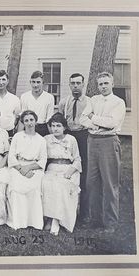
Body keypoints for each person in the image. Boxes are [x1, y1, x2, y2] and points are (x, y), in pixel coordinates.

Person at [80, 72, 126, 233]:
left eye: (106, 83)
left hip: (109, 142)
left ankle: (110, 222)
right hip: (92, 142)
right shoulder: (93, 100)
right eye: (100, 84)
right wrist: (97, 124)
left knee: (109, 183)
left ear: (112, 84)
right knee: (92, 183)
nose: (103, 87)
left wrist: (93, 118)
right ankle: (95, 219)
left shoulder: (118, 102)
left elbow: (112, 123)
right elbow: (82, 119)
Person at [42, 113, 81, 235]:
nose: (55, 128)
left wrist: (70, 171)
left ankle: (56, 221)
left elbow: (77, 159)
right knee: (47, 184)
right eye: (53, 126)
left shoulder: (71, 139)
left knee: (61, 185)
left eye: (58, 126)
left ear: (64, 127)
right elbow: (41, 158)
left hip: (68, 169)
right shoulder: (46, 139)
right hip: (52, 168)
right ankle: (50, 217)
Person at [7, 110, 47, 231]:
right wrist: (20, 169)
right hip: (18, 167)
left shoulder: (41, 140)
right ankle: (18, 222)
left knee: (34, 188)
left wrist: (29, 168)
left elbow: (43, 159)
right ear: (23, 123)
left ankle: (33, 221)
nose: (29, 123)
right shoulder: (18, 137)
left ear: (36, 121)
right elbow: (11, 156)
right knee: (16, 188)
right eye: (26, 121)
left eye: (31, 120)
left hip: (34, 168)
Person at [58, 73, 91, 222]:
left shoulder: (90, 102)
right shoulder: (64, 102)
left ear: (83, 84)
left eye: (78, 83)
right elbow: (59, 120)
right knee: (66, 169)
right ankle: (64, 209)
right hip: (69, 135)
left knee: (83, 172)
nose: (76, 86)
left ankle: (84, 212)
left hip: (84, 136)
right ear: (69, 85)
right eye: (73, 83)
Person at [19, 71, 54, 136]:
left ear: (43, 83)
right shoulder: (24, 96)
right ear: (30, 82)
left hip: (43, 128)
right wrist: (18, 136)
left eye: (38, 82)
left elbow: (49, 119)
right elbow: (22, 117)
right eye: (33, 82)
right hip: (28, 127)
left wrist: (52, 136)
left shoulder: (49, 97)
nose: (35, 85)